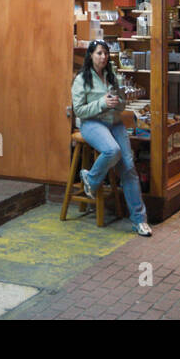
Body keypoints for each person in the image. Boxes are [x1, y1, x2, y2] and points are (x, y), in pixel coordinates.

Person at [72, 39, 152, 236]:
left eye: (106, 54)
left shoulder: (112, 75)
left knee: (129, 167)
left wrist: (117, 103)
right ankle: (91, 178)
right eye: (99, 53)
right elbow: (79, 110)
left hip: (115, 122)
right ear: (91, 55)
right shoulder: (82, 79)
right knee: (112, 150)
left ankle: (139, 220)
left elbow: (123, 103)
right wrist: (101, 103)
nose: (103, 57)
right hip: (92, 123)